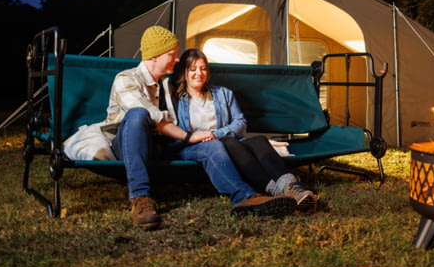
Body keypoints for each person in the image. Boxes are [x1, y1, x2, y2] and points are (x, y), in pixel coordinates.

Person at [101, 26, 295, 230]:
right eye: (172, 55)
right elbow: (154, 117)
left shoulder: (166, 86)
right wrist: (189, 136)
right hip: (127, 147)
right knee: (139, 114)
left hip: (159, 146)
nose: (176, 60)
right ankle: (140, 199)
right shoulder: (126, 79)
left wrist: (201, 136)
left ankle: (244, 197)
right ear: (155, 56)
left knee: (211, 145)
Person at [174, 48, 319, 212]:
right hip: (200, 146)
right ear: (184, 73)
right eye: (192, 69)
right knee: (230, 142)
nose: (198, 73)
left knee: (258, 141)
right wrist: (202, 137)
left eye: (203, 68)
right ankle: (277, 191)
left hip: (225, 138)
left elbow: (240, 122)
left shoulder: (223, 94)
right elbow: (176, 131)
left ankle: (293, 188)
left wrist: (216, 134)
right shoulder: (176, 100)